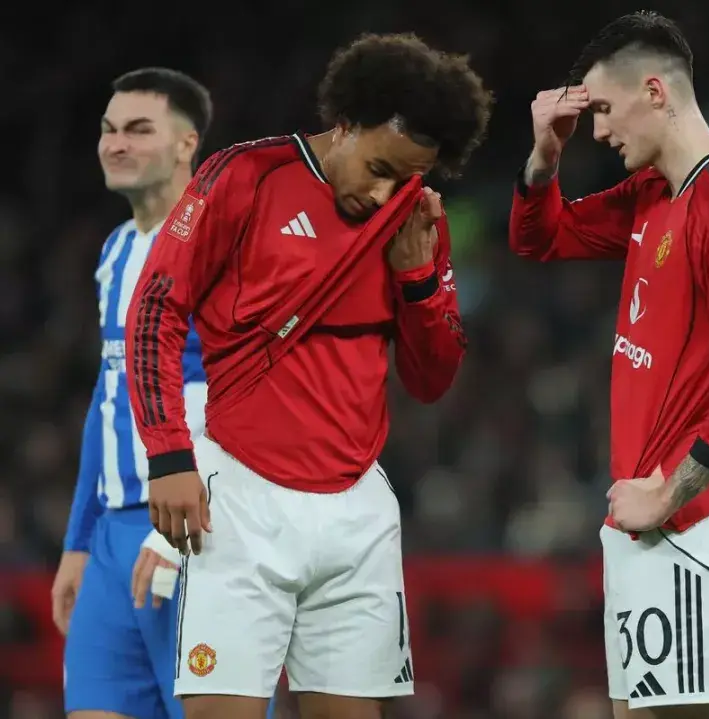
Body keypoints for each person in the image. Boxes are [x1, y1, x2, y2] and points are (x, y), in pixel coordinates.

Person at [125, 33, 492, 719]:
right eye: (379, 167)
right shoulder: (245, 177)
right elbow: (154, 311)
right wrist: (170, 455)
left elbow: (432, 379)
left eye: (405, 177)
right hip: (242, 500)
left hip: (357, 511)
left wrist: (418, 280)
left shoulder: (414, 216)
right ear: (345, 124)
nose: (384, 193)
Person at [509, 11, 709, 719]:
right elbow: (542, 238)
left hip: (692, 522)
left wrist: (669, 496)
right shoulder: (654, 195)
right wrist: (544, 157)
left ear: (656, 92)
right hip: (645, 518)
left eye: (605, 109)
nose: (599, 131)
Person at [55, 67, 212, 719]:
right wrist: (78, 540)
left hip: (196, 530)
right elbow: (109, 394)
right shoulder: (116, 250)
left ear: (185, 144)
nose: (116, 143)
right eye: (109, 129)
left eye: (139, 129)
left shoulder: (220, 242)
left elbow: (239, 393)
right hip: (112, 538)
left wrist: (183, 525)